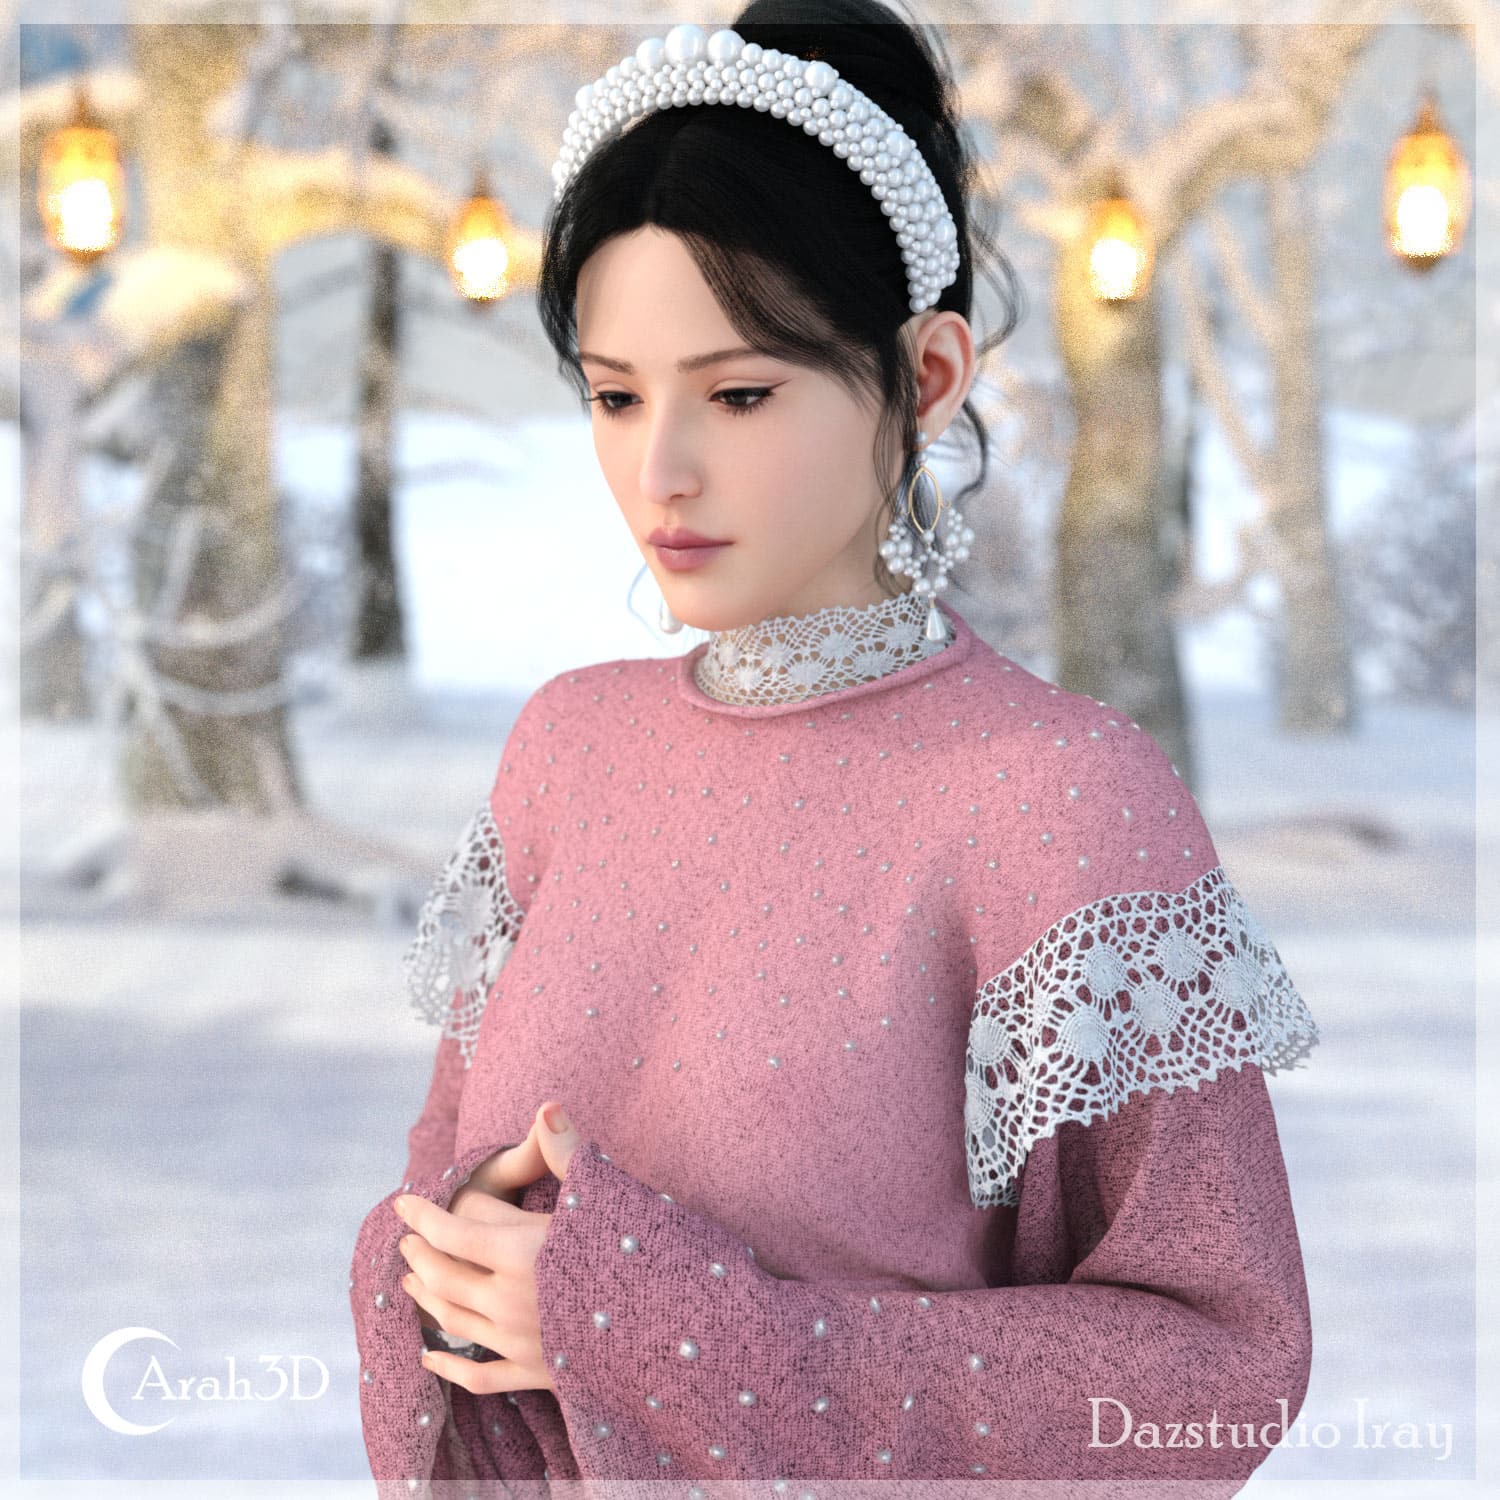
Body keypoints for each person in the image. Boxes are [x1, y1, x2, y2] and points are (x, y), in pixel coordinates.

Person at [348, 3, 1321, 1494]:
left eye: (740, 393)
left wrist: (680, 1333)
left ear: (925, 377)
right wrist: (453, 1268)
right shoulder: (567, 752)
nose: (660, 470)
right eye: (615, 395)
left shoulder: (1053, 798)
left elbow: (1216, 1373)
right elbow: (444, 1214)